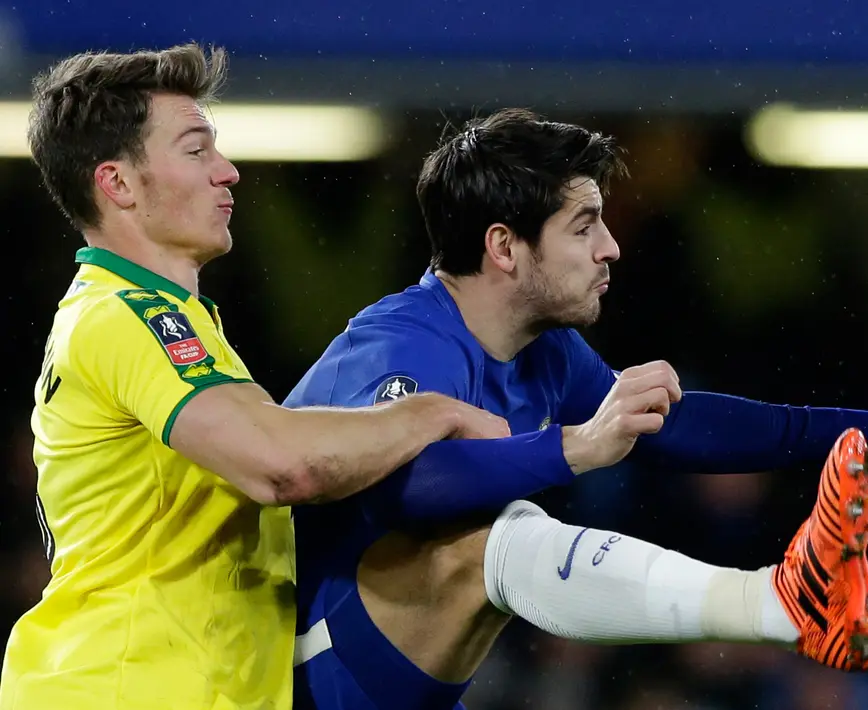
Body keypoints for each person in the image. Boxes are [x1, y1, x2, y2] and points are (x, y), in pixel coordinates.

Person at [284, 108, 868, 710]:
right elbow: (401, 483)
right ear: (503, 247)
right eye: (583, 226)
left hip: (390, 675)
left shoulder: (546, 350)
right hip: (287, 667)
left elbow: (681, 428)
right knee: (483, 537)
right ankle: (777, 605)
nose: (612, 247)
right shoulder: (398, 344)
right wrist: (574, 445)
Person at [0, 44, 506, 710]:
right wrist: (431, 413)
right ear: (117, 184)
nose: (229, 172)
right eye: (195, 151)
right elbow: (280, 464)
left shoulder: (168, 321)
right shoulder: (125, 315)